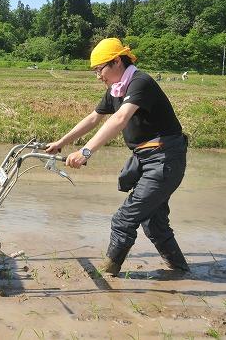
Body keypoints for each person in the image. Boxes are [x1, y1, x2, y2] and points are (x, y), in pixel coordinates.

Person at [46, 38, 189, 276]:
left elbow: (120, 119)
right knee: (154, 223)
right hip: (147, 159)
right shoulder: (116, 90)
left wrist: (86, 151)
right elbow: (93, 118)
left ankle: (108, 274)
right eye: (94, 71)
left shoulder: (140, 82)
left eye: (100, 69)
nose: (98, 75)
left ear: (117, 61)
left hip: (165, 159)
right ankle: (181, 271)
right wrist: (61, 143)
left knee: (124, 219)